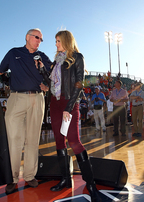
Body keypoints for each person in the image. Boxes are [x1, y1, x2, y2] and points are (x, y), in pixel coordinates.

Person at [0, 28, 52, 194]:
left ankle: (29, 175)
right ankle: (12, 178)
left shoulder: (42, 57)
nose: (39, 41)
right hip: (16, 98)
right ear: (28, 37)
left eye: (41, 39)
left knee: (32, 139)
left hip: (37, 99)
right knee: (13, 139)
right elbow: (0, 71)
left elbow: (53, 76)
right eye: (37, 37)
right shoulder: (14, 53)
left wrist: (48, 85)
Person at [37, 30, 101, 201]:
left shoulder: (77, 58)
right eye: (55, 41)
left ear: (66, 41)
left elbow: (79, 84)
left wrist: (69, 106)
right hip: (55, 103)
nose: (56, 44)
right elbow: (52, 82)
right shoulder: (56, 62)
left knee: (74, 141)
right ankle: (65, 179)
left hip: (69, 102)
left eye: (58, 41)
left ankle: (91, 184)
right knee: (59, 140)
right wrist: (43, 69)